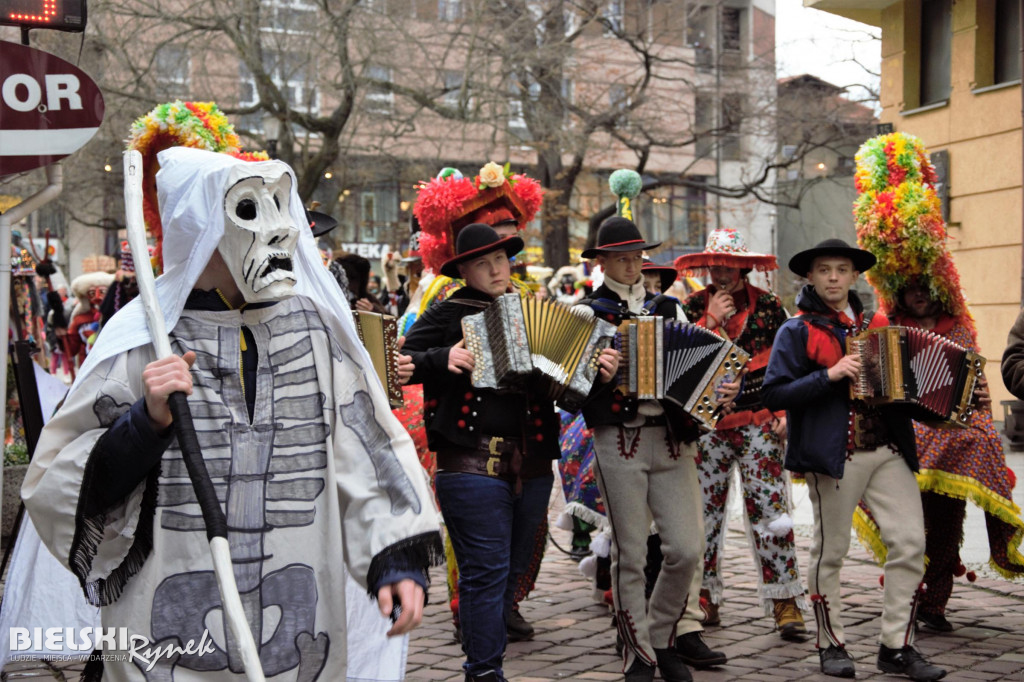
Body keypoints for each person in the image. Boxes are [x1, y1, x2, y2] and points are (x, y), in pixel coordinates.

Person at [22, 147, 443, 680]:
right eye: (247, 211)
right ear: (198, 229)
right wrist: (146, 423)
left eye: (280, 209)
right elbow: (59, 483)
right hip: (165, 620)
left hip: (297, 620)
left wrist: (397, 559)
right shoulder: (141, 340)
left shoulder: (315, 332)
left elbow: (367, 450)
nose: (281, 232)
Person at [849, 132, 1024, 631]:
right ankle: (909, 593)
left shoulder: (960, 325)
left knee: (946, 521)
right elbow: (870, 382)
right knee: (909, 527)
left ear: (938, 287)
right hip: (902, 441)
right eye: (909, 287)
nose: (918, 294)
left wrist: (975, 407)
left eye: (926, 286)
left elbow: (972, 383)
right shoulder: (882, 326)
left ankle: (934, 604)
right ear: (899, 290)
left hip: (948, 437)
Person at [402, 223, 583, 682]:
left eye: (501, 258)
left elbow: (572, 393)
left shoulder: (534, 309)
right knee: (485, 573)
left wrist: (595, 370)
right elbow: (393, 366)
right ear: (463, 270)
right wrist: (442, 360)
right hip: (470, 464)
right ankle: (484, 672)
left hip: (535, 467)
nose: (497, 268)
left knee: (510, 574)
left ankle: (487, 657)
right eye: (483, 262)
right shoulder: (447, 312)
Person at [762, 238, 946, 681]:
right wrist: (828, 376)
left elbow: (906, 393)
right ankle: (832, 644)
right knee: (831, 551)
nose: (832, 278)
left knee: (910, 543)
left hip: (888, 450)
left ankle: (896, 646)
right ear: (809, 276)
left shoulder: (879, 324)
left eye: (841, 270)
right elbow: (774, 393)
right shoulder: (796, 330)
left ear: (853, 276)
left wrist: (949, 412)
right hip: (835, 455)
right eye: (824, 270)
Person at [578, 216, 735, 682]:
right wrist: (597, 375)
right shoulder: (588, 313)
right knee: (629, 552)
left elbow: (699, 373)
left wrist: (720, 390)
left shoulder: (670, 309)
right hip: (619, 439)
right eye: (622, 258)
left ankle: (663, 634)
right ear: (602, 260)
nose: (632, 265)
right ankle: (637, 652)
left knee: (686, 549)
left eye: (636, 257)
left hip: (670, 439)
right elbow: (567, 390)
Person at [674, 228, 807, 640]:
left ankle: (785, 600)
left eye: (730, 264)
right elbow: (681, 363)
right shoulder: (693, 305)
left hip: (758, 423)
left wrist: (785, 412)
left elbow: (787, 366)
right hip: (707, 429)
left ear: (745, 266)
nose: (722, 271)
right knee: (703, 518)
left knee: (772, 511)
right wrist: (710, 317)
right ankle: (704, 597)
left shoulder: (769, 307)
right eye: (716, 264)